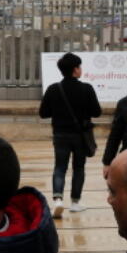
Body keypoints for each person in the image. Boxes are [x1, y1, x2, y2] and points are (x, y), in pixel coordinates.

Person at [39, 52, 102, 218]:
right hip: (80, 136)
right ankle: (75, 202)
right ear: (75, 70)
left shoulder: (53, 89)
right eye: (79, 67)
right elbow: (97, 112)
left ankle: (58, 199)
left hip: (60, 135)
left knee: (60, 167)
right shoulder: (86, 88)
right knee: (78, 168)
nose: (80, 69)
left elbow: (43, 113)